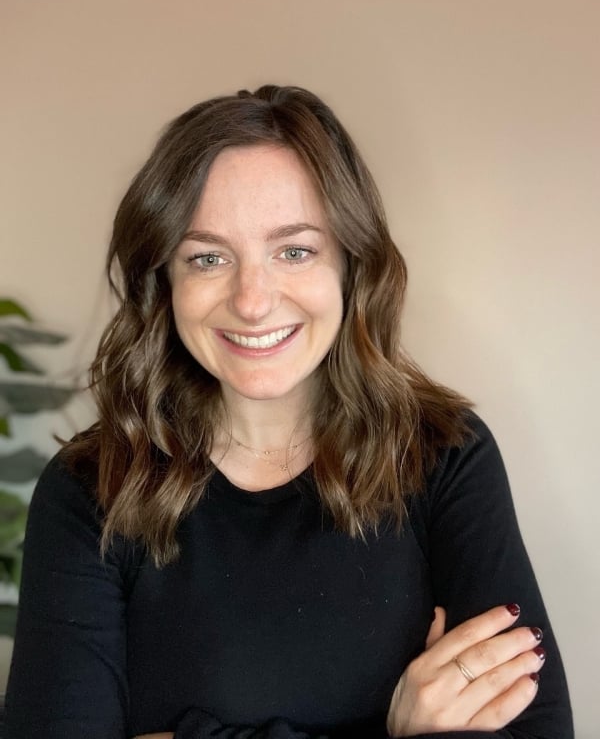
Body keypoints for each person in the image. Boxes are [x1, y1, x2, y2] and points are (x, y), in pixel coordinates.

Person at [6, 85, 573, 739]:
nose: (252, 301)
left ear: (350, 265)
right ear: (165, 280)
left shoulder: (445, 456)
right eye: (208, 257)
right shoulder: (89, 489)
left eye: (294, 250)